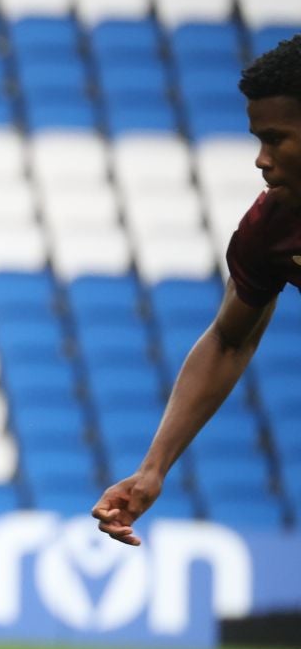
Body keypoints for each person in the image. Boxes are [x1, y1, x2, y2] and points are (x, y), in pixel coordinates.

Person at [94, 35, 296, 544]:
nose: (260, 159)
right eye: (257, 139)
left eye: (275, 138)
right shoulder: (271, 227)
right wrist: (153, 468)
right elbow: (230, 340)